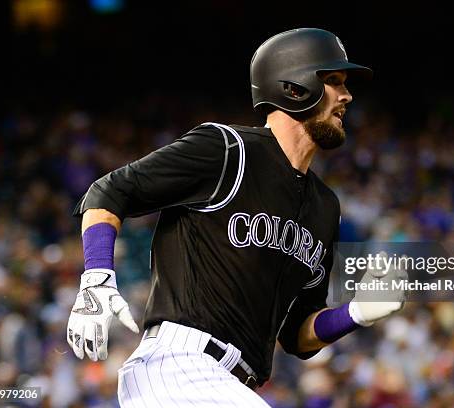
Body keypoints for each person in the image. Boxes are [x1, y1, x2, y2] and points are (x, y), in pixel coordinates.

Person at [66, 28, 406, 407]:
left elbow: (296, 334)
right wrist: (96, 277)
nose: (347, 96)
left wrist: (356, 312)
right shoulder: (228, 150)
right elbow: (109, 191)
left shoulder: (325, 208)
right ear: (294, 85)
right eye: (333, 81)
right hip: (178, 366)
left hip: (230, 384)